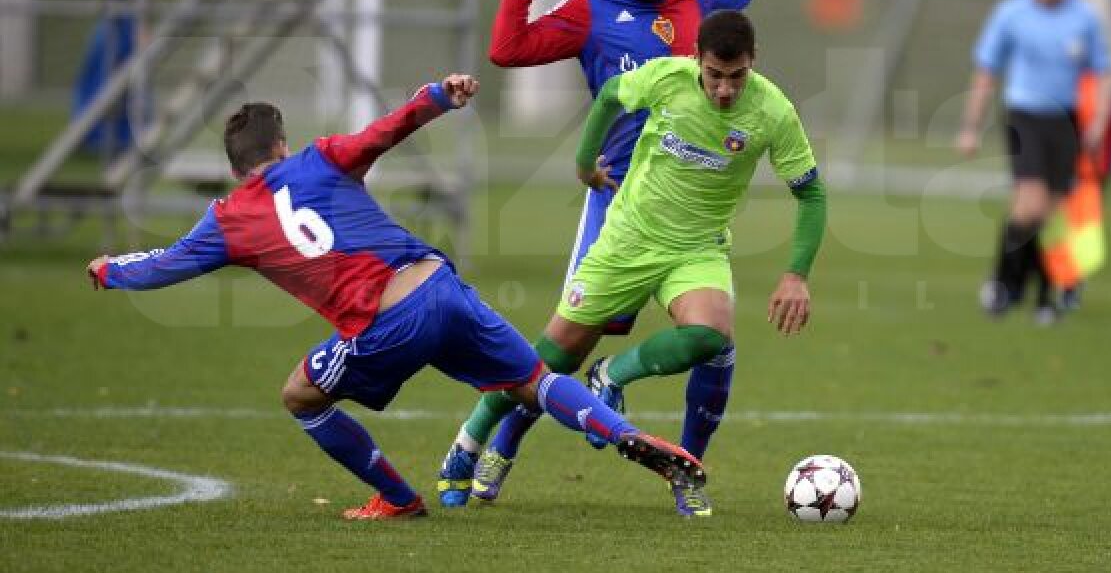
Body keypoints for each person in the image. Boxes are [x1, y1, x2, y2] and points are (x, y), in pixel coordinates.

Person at [86, 75, 704, 520]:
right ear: (281, 147)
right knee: (536, 381)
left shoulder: (226, 219)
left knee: (300, 396)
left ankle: (398, 498)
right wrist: (437, 97)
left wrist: (111, 270)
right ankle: (626, 433)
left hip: (386, 325)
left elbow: (164, 265)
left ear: (235, 166)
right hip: (439, 283)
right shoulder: (321, 156)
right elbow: (384, 132)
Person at [438, 0, 784, 513]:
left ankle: (687, 475)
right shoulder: (590, 9)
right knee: (561, 352)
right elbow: (508, 49)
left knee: (715, 345)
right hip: (617, 206)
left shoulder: (695, 2)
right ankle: (487, 436)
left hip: (689, 216)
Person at [450, 10, 826, 518]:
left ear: (752, 64)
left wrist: (796, 273)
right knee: (548, 360)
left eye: (736, 77)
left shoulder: (773, 111)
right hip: (627, 240)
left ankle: (648, 420)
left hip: (697, 250)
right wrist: (585, 162)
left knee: (714, 338)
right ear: (697, 60)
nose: (723, 90)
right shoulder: (666, 78)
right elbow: (608, 98)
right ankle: (474, 442)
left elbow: (811, 195)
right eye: (714, 75)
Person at [957, 0, 1111, 325]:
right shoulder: (1012, 13)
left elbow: (1103, 73)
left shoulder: (1084, 18)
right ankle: (1014, 287)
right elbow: (986, 71)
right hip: (1025, 115)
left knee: (1051, 213)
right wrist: (970, 126)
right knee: (1031, 204)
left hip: (1066, 121)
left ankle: (1030, 289)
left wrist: (1098, 123)